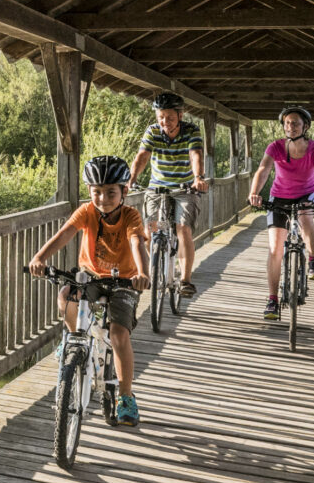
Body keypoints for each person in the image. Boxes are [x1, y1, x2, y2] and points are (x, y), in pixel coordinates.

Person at [29, 156, 151, 427]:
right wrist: (40, 258)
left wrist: (143, 274)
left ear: (123, 192)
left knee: (118, 334)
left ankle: (126, 395)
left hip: (125, 280)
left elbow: (136, 243)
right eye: (96, 192)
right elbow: (64, 233)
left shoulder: (130, 216)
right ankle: (73, 338)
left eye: (110, 192)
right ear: (89, 192)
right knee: (65, 296)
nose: (103, 198)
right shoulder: (86, 211)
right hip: (91, 276)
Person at [247, 105, 314, 320]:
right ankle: (272, 299)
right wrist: (254, 193)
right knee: (275, 249)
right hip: (279, 197)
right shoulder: (275, 147)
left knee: (303, 215)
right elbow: (263, 170)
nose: (290, 127)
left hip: (308, 195)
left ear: (305, 127)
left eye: (295, 123)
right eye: (287, 123)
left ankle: (313, 259)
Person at [128, 92, 208, 297]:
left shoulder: (191, 131)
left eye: (170, 117)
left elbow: (195, 154)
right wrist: (132, 178)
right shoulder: (153, 131)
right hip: (157, 186)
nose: (165, 122)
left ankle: (185, 280)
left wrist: (198, 177)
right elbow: (142, 156)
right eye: (160, 117)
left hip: (184, 188)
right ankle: (157, 264)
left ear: (180, 116)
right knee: (149, 232)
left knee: (183, 229)